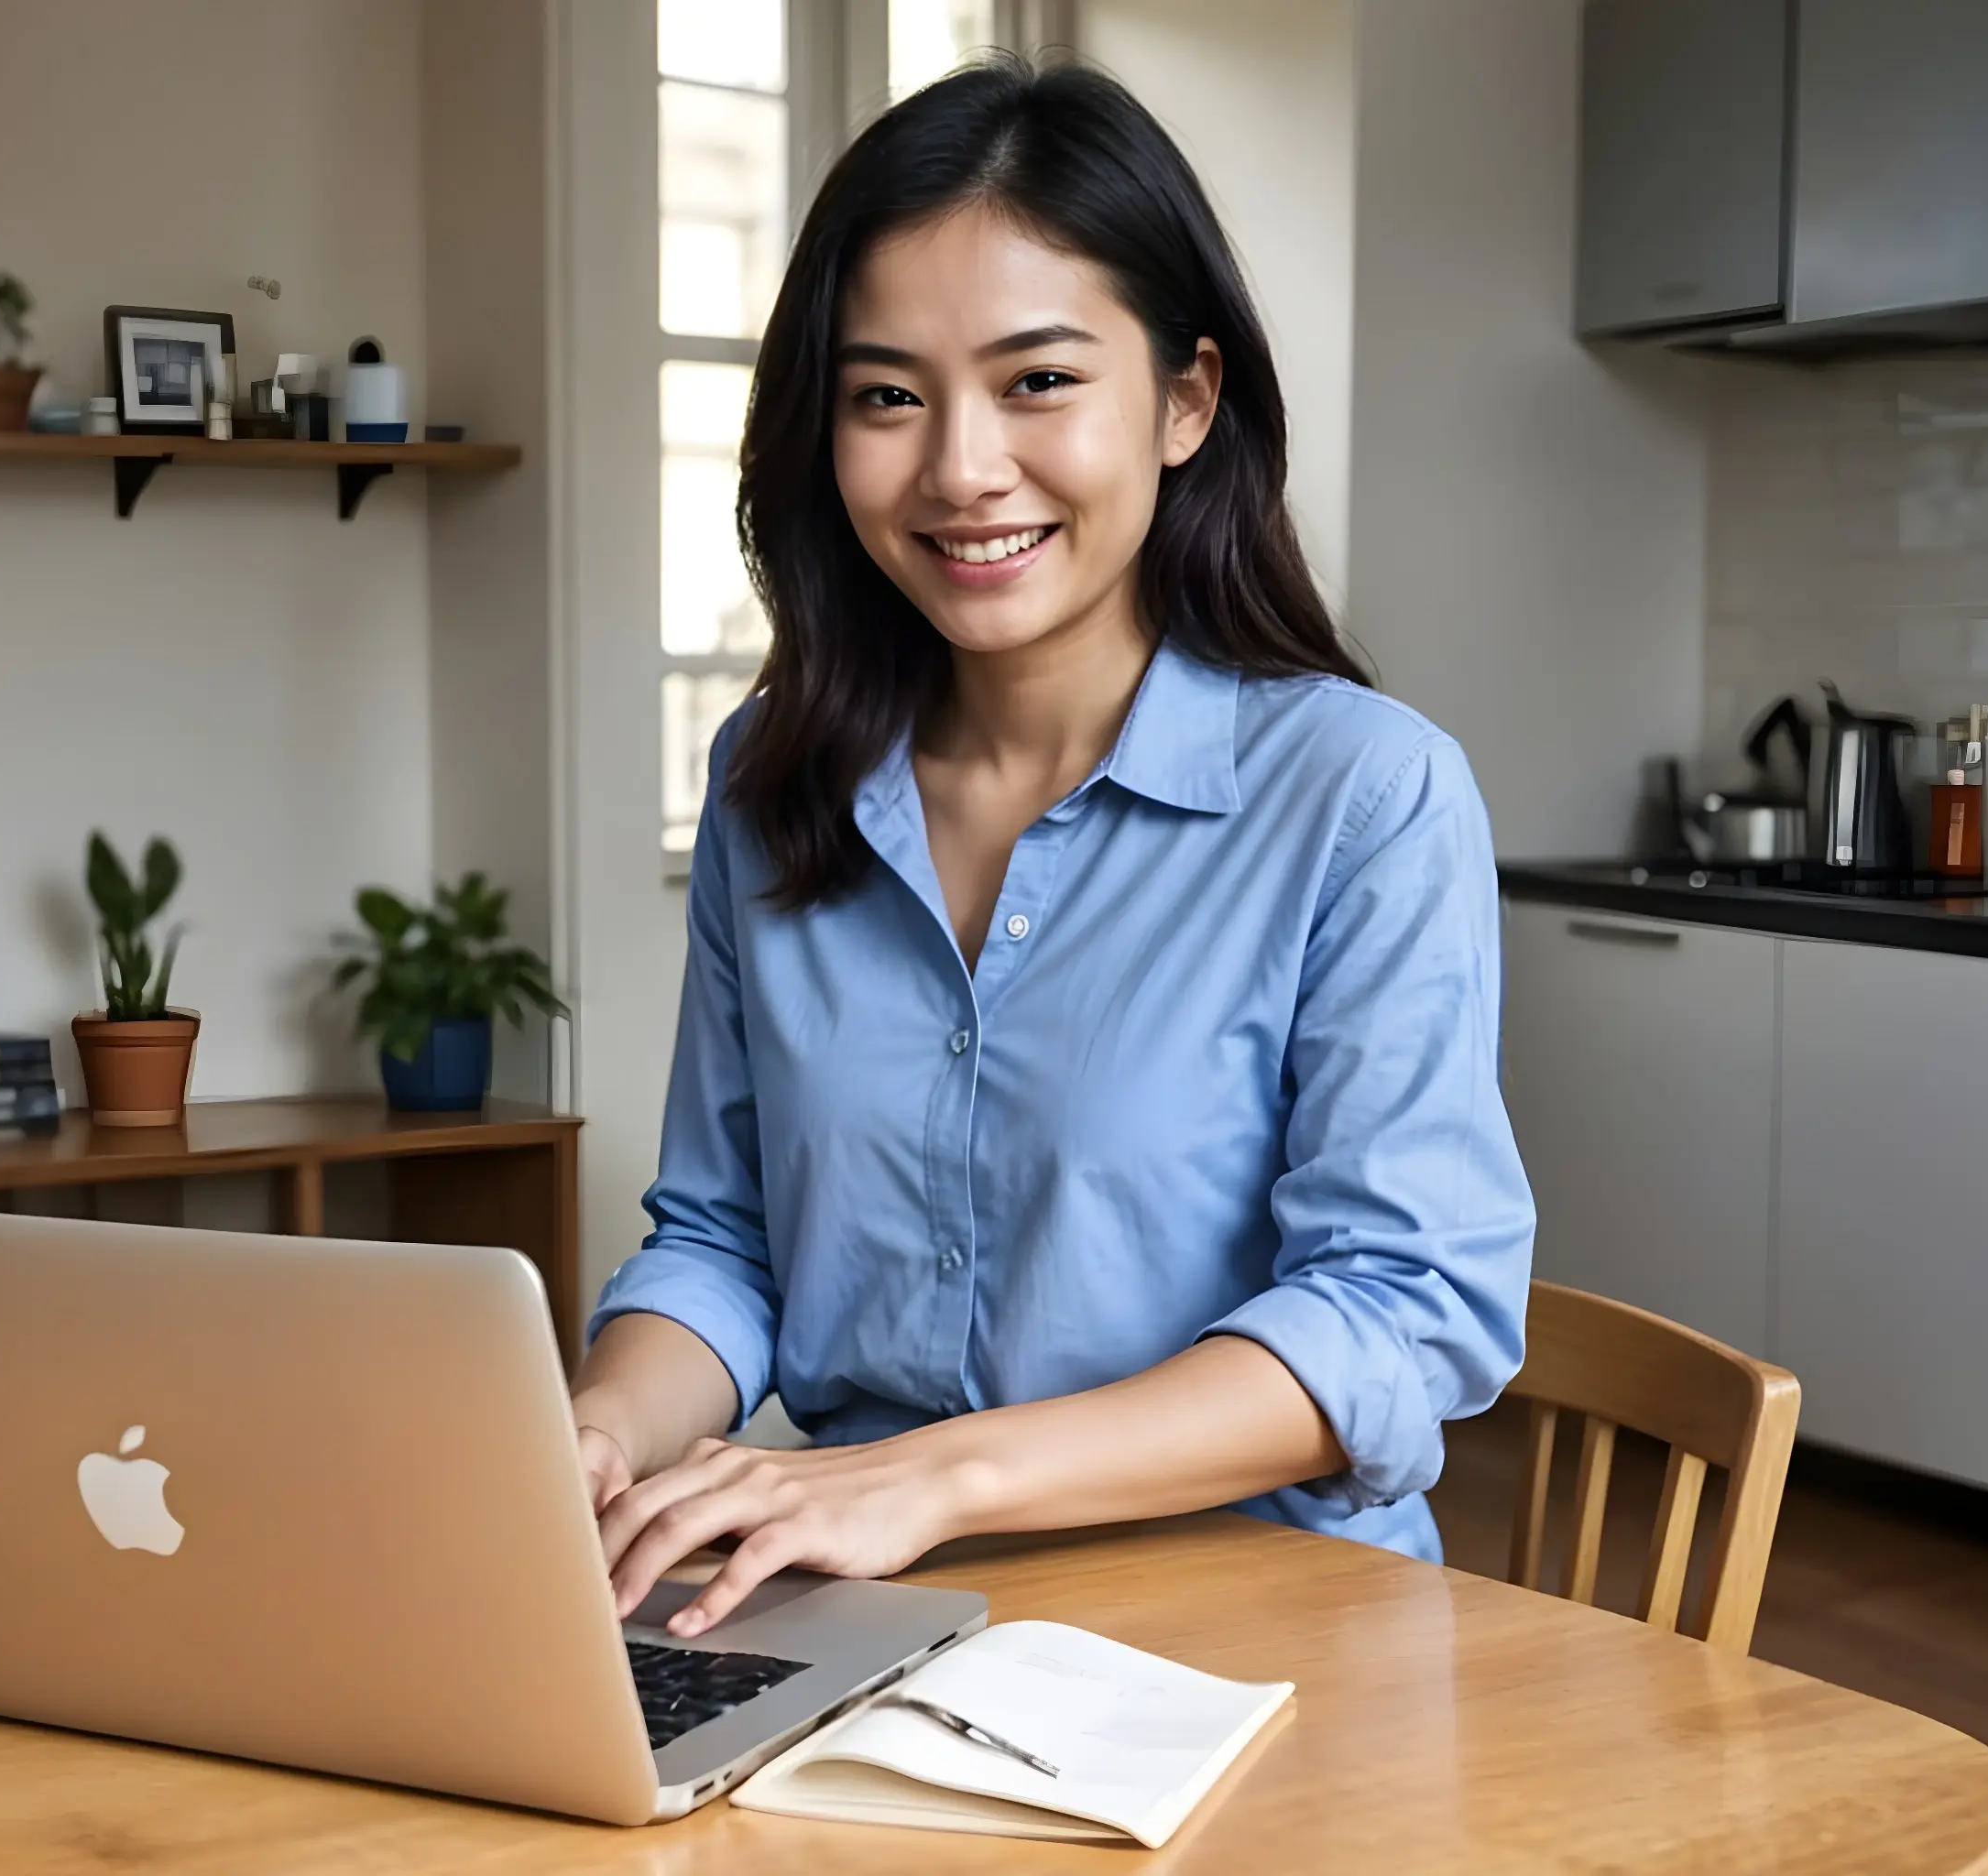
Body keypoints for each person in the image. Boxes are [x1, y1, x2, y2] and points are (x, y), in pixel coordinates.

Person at [574, 59, 1533, 1641]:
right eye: (888, 395)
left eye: (1037, 382)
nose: (959, 469)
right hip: (848, 1613)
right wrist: (598, 1432)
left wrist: (934, 1478)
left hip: (1265, 1633)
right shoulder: (773, 777)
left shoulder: (1366, 798)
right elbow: (726, 1241)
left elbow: (1397, 1310)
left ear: (1184, 400)